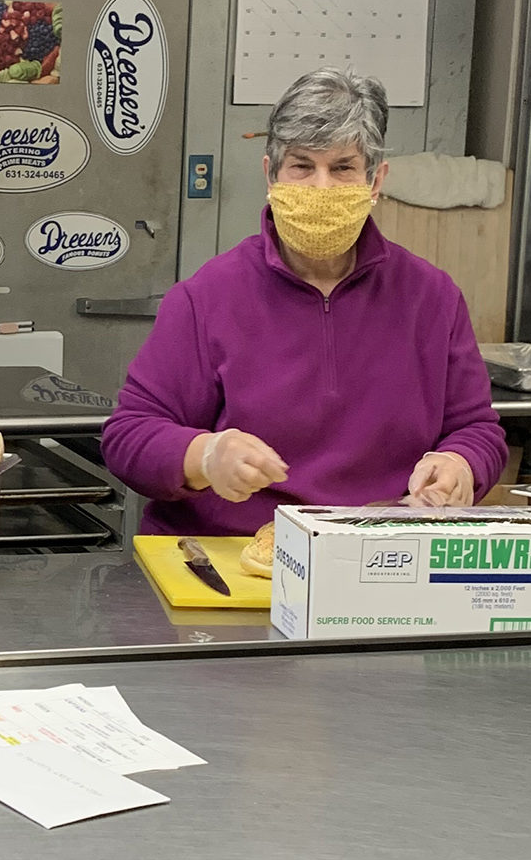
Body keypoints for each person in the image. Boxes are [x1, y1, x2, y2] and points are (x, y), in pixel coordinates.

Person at [103, 68, 505, 534]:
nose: (321, 189)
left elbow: (479, 429)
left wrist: (461, 463)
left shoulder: (432, 297)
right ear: (269, 174)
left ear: (375, 182)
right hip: (231, 560)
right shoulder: (205, 298)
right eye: (301, 166)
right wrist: (204, 456)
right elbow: (128, 437)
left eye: (342, 168)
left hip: (379, 557)